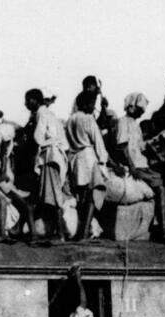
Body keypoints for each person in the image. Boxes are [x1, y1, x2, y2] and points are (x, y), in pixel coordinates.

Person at [112, 92, 165, 237]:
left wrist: (155, 141)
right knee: (161, 189)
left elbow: (139, 146)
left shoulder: (135, 125)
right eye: (140, 109)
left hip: (142, 164)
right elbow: (122, 146)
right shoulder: (122, 122)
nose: (142, 113)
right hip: (137, 166)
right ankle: (163, 229)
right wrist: (132, 167)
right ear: (132, 107)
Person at [25, 88, 69, 240]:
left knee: (53, 195)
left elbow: (38, 137)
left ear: (36, 100)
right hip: (56, 156)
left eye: (28, 100)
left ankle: (61, 233)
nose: (26, 104)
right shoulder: (50, 114)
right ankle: (59, 231)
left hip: (50, 156)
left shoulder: (41, 114)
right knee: (52, 193)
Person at [66, 90, 109, 241]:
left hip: (75, 159)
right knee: (92, 196)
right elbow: (98, 142)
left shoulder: (70, 120)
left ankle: (80, 230)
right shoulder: (88, 119)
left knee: (80, 197)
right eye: (91, 104)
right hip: (88, 158)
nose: (93, 107)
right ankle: (84, 233)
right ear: (85, 104)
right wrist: (103, 160)